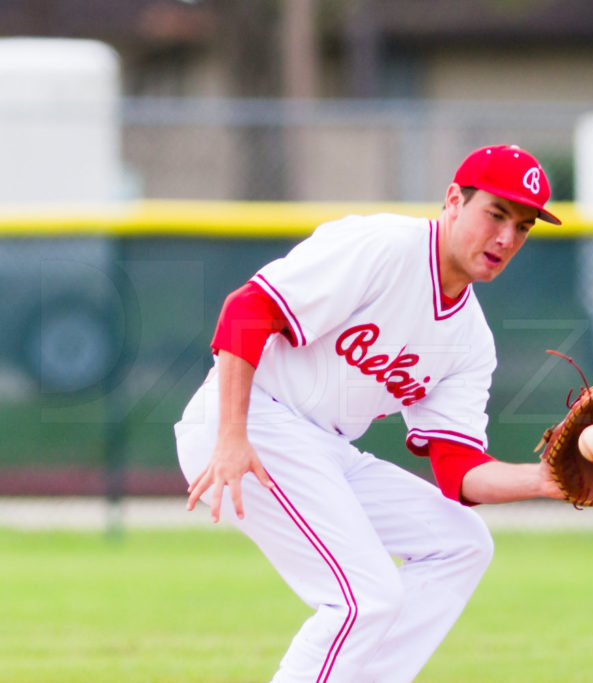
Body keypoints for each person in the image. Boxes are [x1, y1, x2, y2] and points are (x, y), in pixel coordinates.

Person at [174, 144, 565, 682]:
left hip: (323, 447)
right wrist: (232, 436)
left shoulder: (471, 342)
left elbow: (459, 471)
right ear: (454, 200)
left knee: (461, 543)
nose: (506, 237)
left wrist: (546, 479)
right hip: (253, 418)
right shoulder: (384, 246)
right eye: (495, 213)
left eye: (522, 226)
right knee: (364, 597)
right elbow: (247, 309)